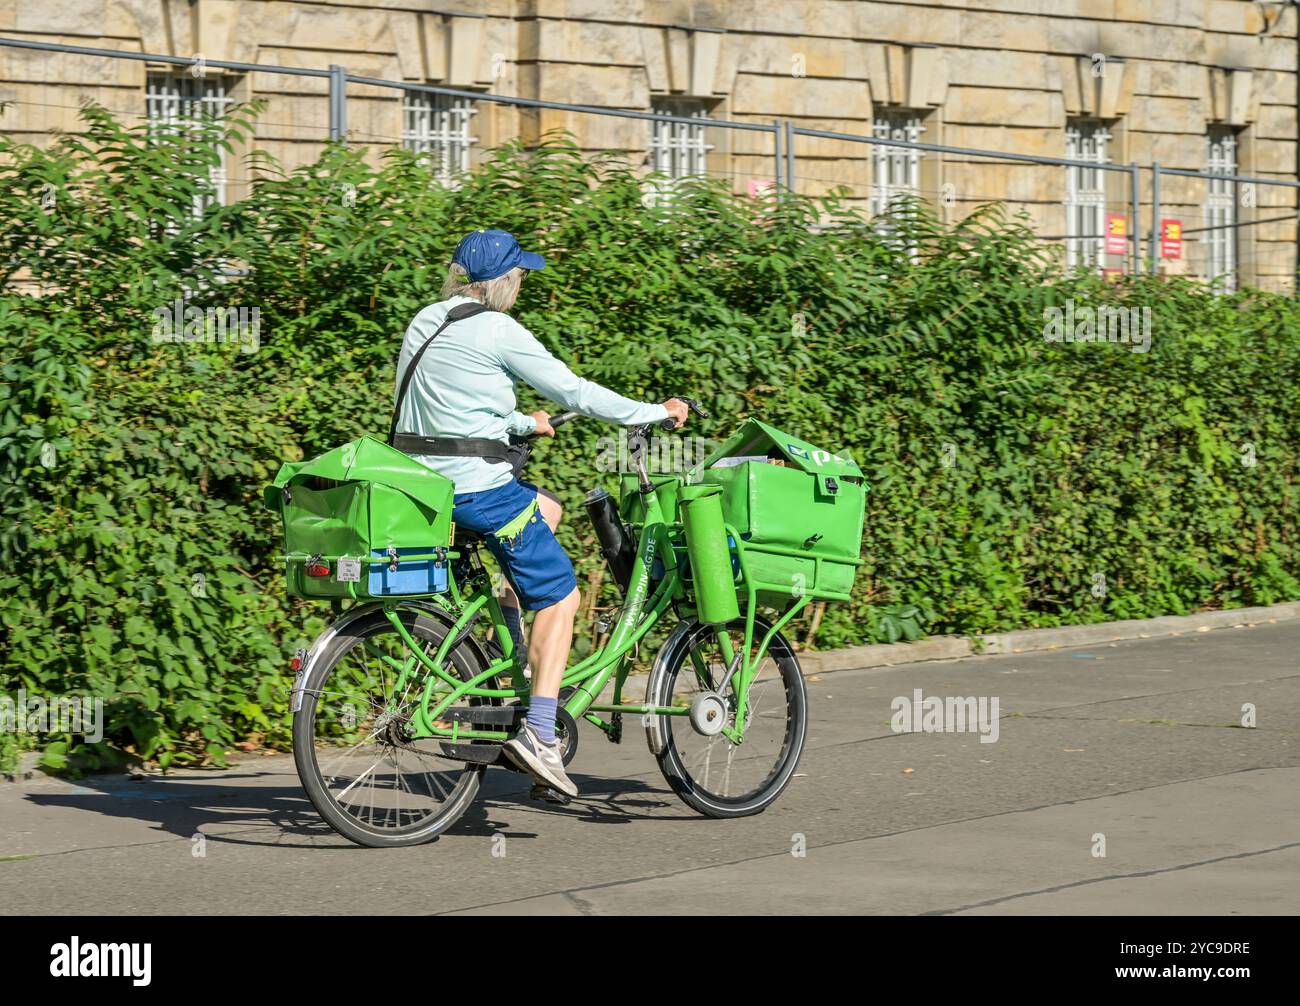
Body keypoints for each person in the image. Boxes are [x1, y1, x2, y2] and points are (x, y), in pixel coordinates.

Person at [393, 228, 688, 799]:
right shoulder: (499, 329)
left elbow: (445, 411)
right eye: (520, 276)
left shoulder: (425, 320)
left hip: (420, 489)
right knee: (563, 595)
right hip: (475, 491)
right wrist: (657, 411)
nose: (522, 284)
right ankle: (540, 733)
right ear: (502, 282)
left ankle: (516, 667)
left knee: (546, 507)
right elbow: (576, 392)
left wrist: (523, 424)